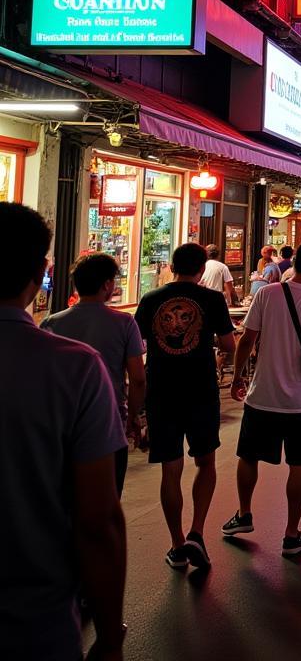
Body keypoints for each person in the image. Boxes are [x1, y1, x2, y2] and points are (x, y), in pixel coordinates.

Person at [0, 204, 127, 661]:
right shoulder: (73, 367)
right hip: (35, 621)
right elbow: (97, 521)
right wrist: (110, 637)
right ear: (42, 273)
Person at [224, 241, 301, 557]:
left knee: (248, 456)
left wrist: (237, 376)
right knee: (299, 463)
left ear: (294, 262)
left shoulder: (267, 294)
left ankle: (243, 514)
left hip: (262, 396)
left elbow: (247, 339)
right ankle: (291, 533)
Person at [133, 243, 236, 570]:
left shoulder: (150, 299)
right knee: (206, 462)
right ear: (202, 268)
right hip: (200, 389)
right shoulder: (212, 298)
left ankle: (177, 543)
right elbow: (228, 344)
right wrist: (223, 359)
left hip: (161, 389)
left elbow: (137, 345)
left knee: (170, 469)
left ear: (171, 266)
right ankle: (196, 532)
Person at [43, 252, 146, 496]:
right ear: (107, 285)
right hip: (108, 422)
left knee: (65, 499)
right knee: (106, 501)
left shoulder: (51, 323)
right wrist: (134, 416)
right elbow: (138, 378)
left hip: (62, 423)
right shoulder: (124, 323)